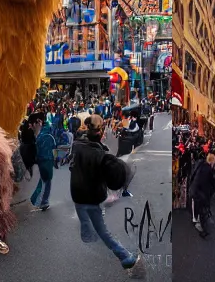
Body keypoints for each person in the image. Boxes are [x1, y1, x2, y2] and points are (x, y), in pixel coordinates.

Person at [68, 118, 140, 272]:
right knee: (102, 230)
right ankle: (125, 257)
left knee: (87, 219)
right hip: (92, 197)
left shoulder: (76, 146)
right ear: (100, 134)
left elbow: (71, 164)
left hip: (77, 194)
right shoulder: (101, 154)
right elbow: (114, 178)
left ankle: (87, 232)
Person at [31, 114, 60, 210]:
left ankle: (41, 201)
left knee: (45, 181)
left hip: (45, 160)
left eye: (32, 124)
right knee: (46, 181)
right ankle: (42, 201)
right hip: (45, 161)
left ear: (39, 122)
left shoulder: (44, 134)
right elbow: (54, 147)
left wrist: (55, 159)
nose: (31, 126)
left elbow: (54, 147)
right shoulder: (46, 133)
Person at [189, 151, 215, 238]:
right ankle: (200, 225)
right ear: (212, 161)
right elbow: (210, 181)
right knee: (201, 206)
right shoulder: (208, 169)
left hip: (194, 188)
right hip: (198, 191)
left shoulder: (202, 165)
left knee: (198, 205)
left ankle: (198, 221)